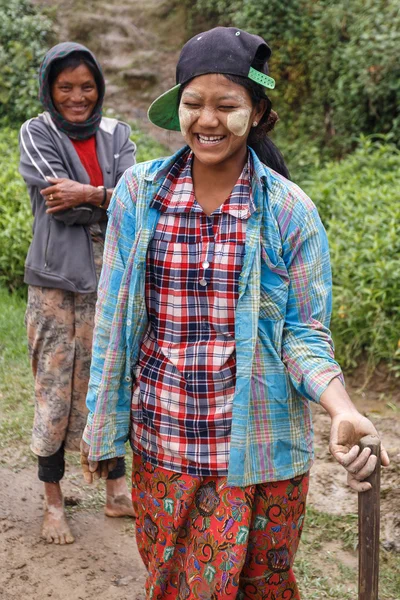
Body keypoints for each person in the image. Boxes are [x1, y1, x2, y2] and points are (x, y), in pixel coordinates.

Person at [81, 27, 389, 599]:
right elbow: (113, 322)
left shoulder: (289, 211)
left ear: (259, 112)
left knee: (262, 585)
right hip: (165, 439)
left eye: (227, 106)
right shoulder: (138, 193)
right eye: (194, 104)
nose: (208, 120)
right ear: (178, 108)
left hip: (262, 448)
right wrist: (102, 427)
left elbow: (303, 332)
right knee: (177, 586)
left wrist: (340, 407)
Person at [19, 42, 137, 545]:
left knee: (108, 383)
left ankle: (115, 490)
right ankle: (52, 502)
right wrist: (107, 200)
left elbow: (135, 199)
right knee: (54, 392)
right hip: (53, 284)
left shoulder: (119, 134)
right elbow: (57, 204)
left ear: (100, 88)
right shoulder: (36, 132)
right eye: (65, 87)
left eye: (86, 86)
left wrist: (89, 193)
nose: (77, 97)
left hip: (109, 282)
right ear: (49, 88)